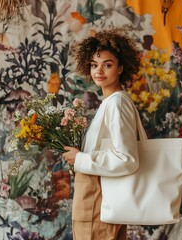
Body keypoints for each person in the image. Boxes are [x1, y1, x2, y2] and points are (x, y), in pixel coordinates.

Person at [62, 28, 141, 240]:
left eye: (108, 64)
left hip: (97, 205)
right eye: (94, 65)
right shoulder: (109, 103)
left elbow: (127, 159)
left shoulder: (116, 103)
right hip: (96, 204)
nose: (99, 70)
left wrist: (80, 159)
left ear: (121, 68)